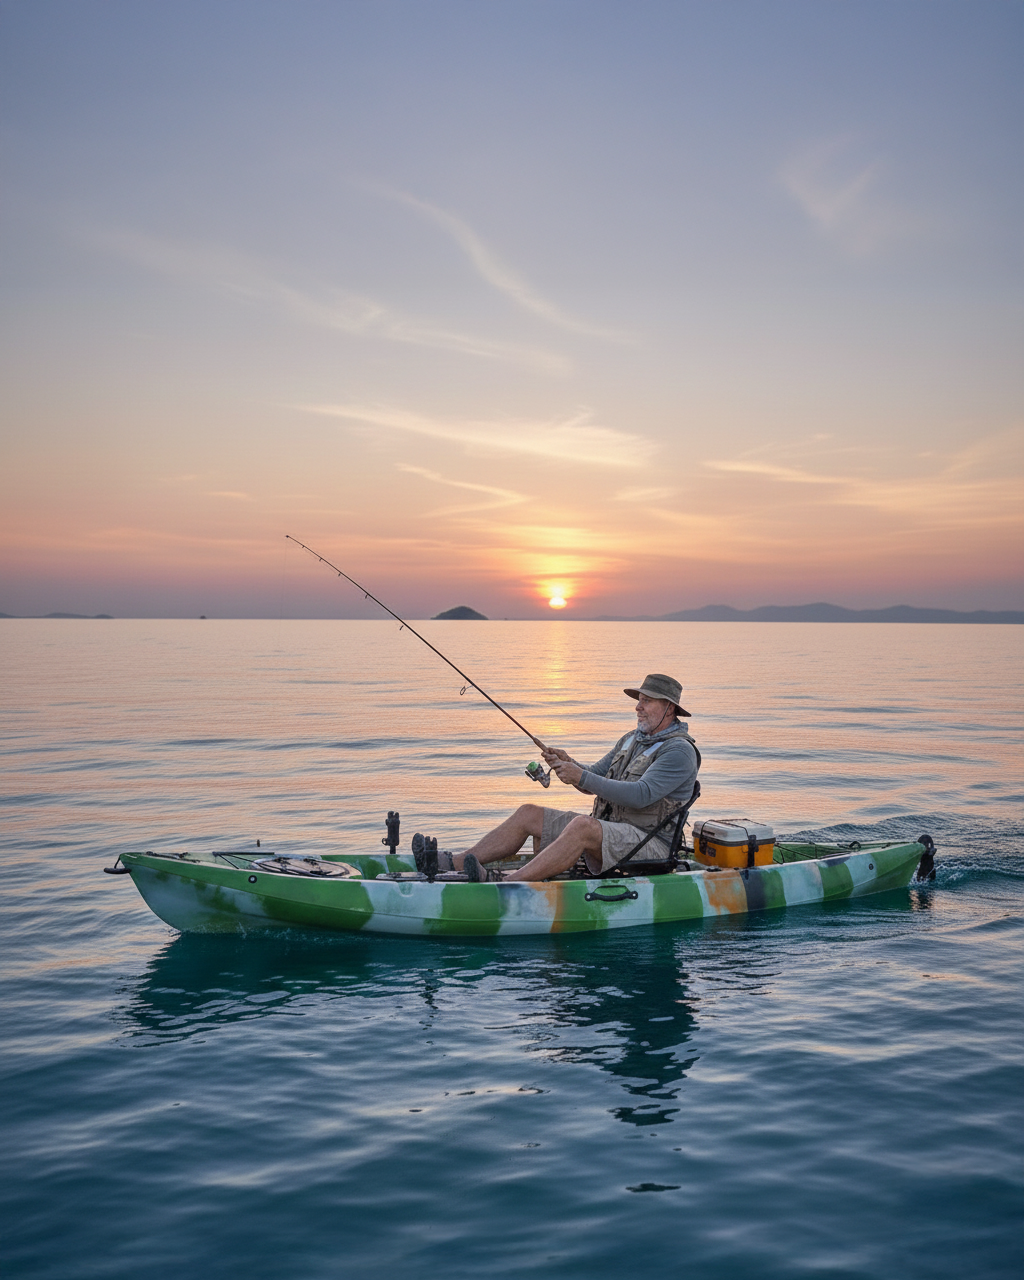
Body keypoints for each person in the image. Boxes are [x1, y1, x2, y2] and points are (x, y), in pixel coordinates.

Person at [454, 674, 700, 882]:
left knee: (583, 826)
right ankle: (453, 862)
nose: (638, 707)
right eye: (639, 701)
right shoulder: (631, 739)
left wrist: (579, 776)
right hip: (613, 830)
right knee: (529, 813)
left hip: (650, 843)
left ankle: (505, 882)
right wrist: (569, 763)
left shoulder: (679, 751)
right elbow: (595, 777)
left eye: (646, 701)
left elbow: (640, 795)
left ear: (668, 708)